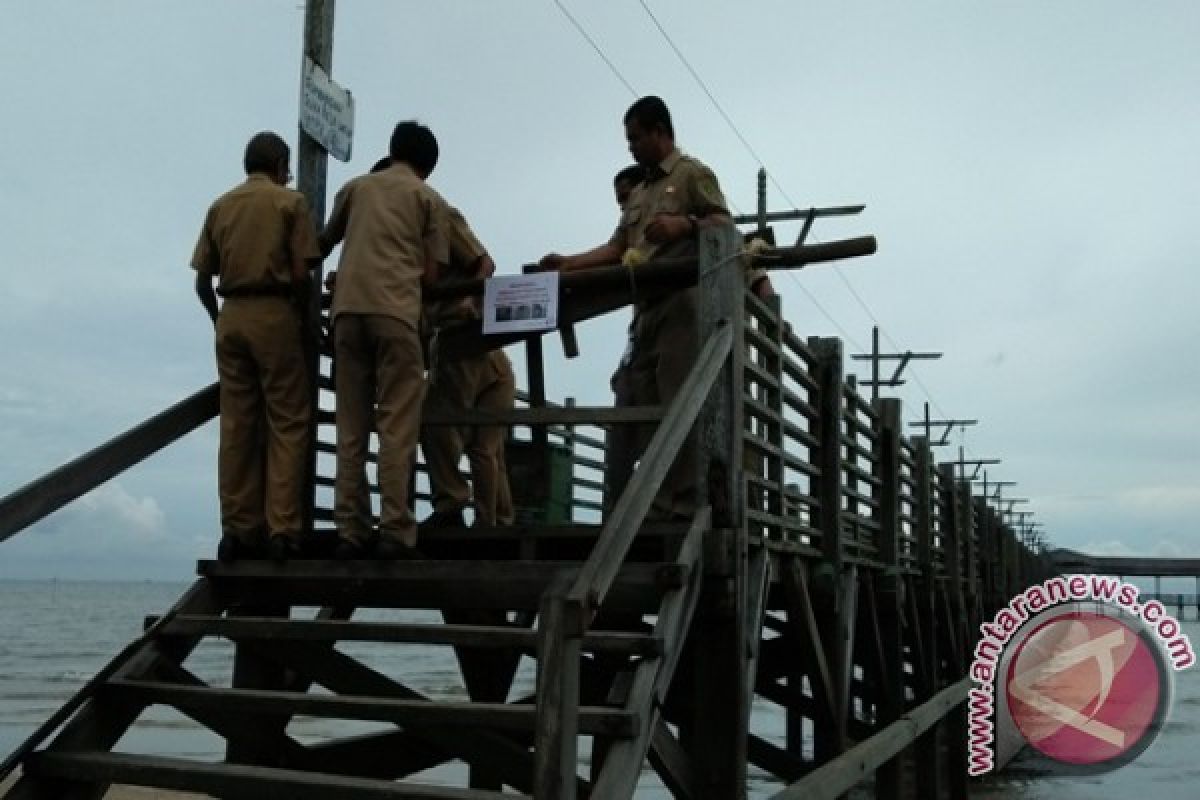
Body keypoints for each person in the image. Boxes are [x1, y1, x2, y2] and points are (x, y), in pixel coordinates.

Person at [544, 96, 772, 519]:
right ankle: (656, 500)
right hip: (644, 311)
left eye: (635, 138)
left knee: (678, 400)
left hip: (683, 308)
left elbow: (725, 226)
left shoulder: (691, 175)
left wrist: (683, 225)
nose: (630, 147)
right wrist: (569, 262)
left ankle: (681, 504)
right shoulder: (640, 192)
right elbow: (618, 247)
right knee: (645, 404)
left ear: (659, 132)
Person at [319, 121, 447, 559]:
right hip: (396, 314)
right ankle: (395, 529)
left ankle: (350, 531)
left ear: (391, 151)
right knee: (395, 428)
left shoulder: (357, 188)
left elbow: (322, 242)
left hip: (347, 314)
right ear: (427, 166)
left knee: (350, 428)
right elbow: (431, 275)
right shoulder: (428, 199)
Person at [191, 131, 320, 562]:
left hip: (232, 315)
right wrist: (305, 322)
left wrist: (218, 319)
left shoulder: (220, 206)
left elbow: (201, 282)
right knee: (288, 420)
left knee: (237, 426)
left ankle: (238, 529)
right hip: (273, 312)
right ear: (281, 164)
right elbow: (301, 274)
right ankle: (282, 528)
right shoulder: (290, 203)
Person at [417, 179, 517, 528]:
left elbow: (484, 262)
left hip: (462, 341)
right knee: (486, 447)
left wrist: (466, 300)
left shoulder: (439, 218)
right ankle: (496, 522)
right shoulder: (409, 229)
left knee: (435, 422)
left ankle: (452, 505)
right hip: (481, 350)